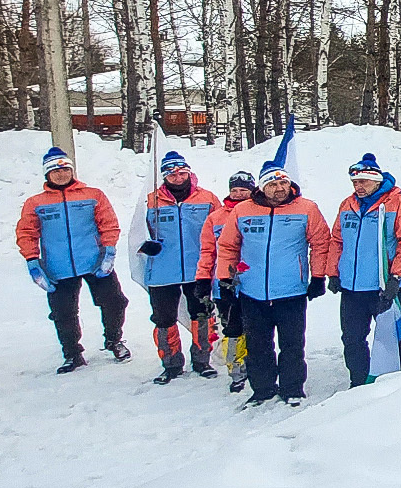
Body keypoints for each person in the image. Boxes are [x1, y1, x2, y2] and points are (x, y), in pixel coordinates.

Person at [214, 158, 331, 407]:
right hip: (252, 290)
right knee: (258, 345)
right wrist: (225, 278)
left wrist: (318, 276)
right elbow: (227, 246)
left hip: (291, 290)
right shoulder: (243, 210)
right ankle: (263, 389)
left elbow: (321, 242)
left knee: (292, 342)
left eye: (284, 183)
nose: (279, 188)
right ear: (262, 187)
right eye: (273, 184)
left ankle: (292, 388)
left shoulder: (307, 208)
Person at [16, 146, 131, 373]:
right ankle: (72, 353)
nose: (61, 174)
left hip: (94, 262)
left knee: (115, 302)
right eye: (55, 171)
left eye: (65, 169)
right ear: (47, 174)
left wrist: (108, 252)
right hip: (58, 268)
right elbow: (27, 233)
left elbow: (108, 223)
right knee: (63, 312)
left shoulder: (92, 195)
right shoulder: (35, 203)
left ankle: (114, 340)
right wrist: (32, 261)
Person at [326, 154, 401, 388]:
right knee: (352, 337)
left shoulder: (399, 204)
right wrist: (334, 272)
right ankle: (358, 381)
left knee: (390, 336)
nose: (358, 187)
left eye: (363, 182)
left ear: (377, 181)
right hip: (352, 286)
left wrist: (396, 276)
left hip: (383, 285)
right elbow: (337, 240)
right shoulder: (348, 205)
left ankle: (393, 380)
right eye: (354, 183)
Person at [139, 151, 222, 384]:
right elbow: (137, 232)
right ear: (164, 176)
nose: (178, 177)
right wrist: (145, 245)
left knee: (202, 315)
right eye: (172, 174)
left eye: (182, 172)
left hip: (199, 270)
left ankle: (202, 360)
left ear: (189, 172)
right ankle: (171, 364)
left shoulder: (207, 198)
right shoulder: (150, 200)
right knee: (164, 319)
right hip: (162, 272)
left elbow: (220, 229)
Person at [196, 171, 256, 392]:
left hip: (254, 285)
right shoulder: (216, 217)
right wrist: (202, 278)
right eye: (234, 190)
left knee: (256, 328)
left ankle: (257, 365)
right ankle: (237, 370)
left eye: (244, 190)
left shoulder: (260, 212)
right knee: (232, 329)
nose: (239, 194)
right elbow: (207, 251)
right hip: (224, 286)